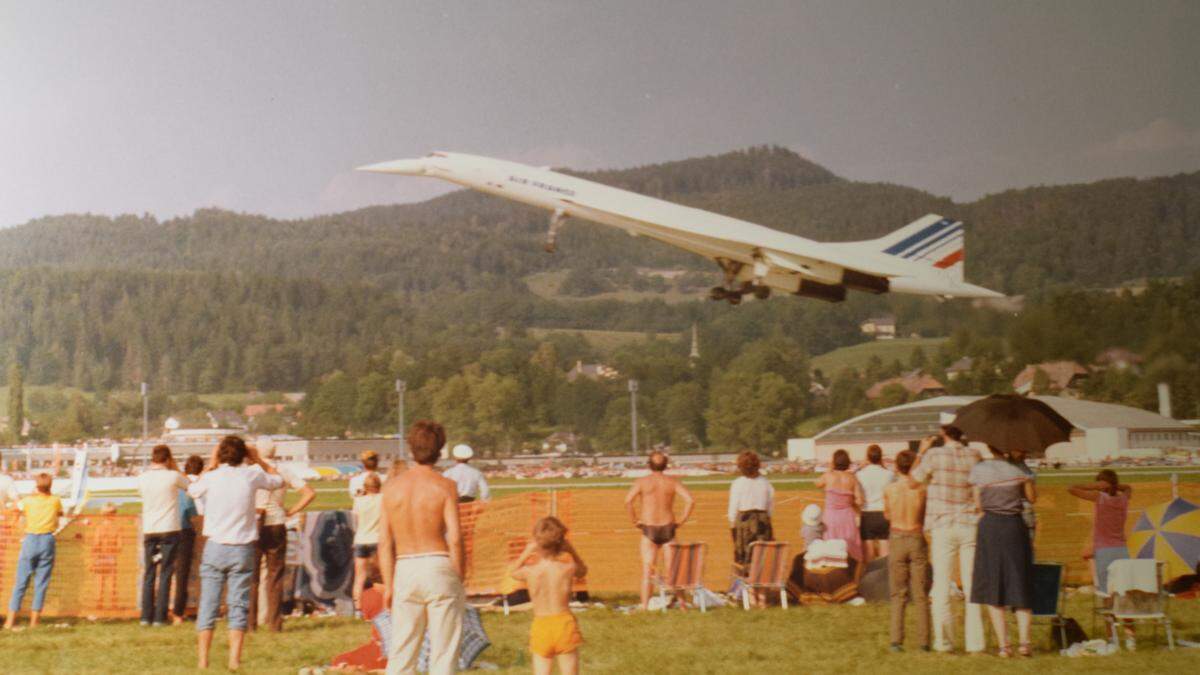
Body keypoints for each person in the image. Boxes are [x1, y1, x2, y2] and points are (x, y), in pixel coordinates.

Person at [188, 436, 284, 670]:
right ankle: (234, 660)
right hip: (242, 548)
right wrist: (258, 459)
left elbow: (192, 490)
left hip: (215, 546)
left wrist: (211, 462)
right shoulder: (252, 474)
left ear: (221, 455)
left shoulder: (211, 477)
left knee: (208, 604)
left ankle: (203, 660)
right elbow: (278, 480)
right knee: (238, 605)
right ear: (243, 455)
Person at [378, 420, 465, 675]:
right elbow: (456, 538)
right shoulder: (446, 486)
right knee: (444, 651)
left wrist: (388, 583)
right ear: (440, 449)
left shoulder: (391, 488)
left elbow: (384, 542)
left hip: (405, 565)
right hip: (438, 562)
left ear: (411, 448)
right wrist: (459, 574)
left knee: (402, 650)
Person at [909, 426, 983, 654]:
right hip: (969, 523)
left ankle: (944, 641)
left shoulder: (934, 455)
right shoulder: (975, 455)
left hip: (942, 524)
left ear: (944, 433)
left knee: (941, 585)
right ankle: (976, 643)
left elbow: (913, 481)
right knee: (973, 586)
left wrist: (921, 451)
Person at [968, 446, 1037, 657]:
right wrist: (1025, 475)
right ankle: (1025, 643)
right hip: (1014, 526)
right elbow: (1032, 498)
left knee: (992, 584)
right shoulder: (1019, 470)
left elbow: (978, 503)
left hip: (990, 526)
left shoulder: (979, 469)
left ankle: (1003, 646)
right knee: (1020, 581)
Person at [249, 439, 316, 632]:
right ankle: (274, 622)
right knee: (275, 576)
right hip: (277, 521)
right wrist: (291, 511)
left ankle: (250, 622)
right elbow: (309, 493)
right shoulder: (284, 470)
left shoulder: (251, 469)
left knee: (251, 576)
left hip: (255, 522)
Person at [509, 517, 588, 675]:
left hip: (541, 625)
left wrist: (526, 552)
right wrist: (572, 550)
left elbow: (512, 571)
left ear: (537, 543)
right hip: (564, 624)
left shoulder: (530, 571)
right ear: (560, 543)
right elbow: (583, 570)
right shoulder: (567, 569)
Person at [623, 451, 695, 610]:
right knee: (674, 571)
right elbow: (690, 500)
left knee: (647, 571)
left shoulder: (642, 482)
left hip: (649, 528)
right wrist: (681, 520)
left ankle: (645, 606)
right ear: (665, 465)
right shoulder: (672, 482)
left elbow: (628, 501)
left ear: (649, 464)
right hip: (668, 527)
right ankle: (682, 605)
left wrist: (634, 520)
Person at [136, 444, 190, 626]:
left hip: (150, 529)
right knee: (166, 572)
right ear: (168, 459)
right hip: (169, 528)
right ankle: (160, 616)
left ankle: (145, 616)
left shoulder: (142, 478)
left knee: (149, 573)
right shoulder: (173, 476)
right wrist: (174, 468)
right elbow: (190, 486)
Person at [883, 450, 929, 653]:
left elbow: (887, 514)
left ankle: (896, 640)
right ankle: (924, 641)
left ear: (896, 466)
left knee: (898, 593)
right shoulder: (921, 490)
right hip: (916, 536)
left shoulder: (889, 489)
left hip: (897, 537)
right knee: (920, 594)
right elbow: (924, 513)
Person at [4, 473, 63, 630]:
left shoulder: (28, 501)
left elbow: (15, 507)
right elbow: (60, 513)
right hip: (47, 540)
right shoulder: (55, 500)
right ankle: (34, 622)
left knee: (21, 583)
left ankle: (10, 622)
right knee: (41, 583)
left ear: (36, 486)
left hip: (30, 539)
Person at [1070, 469, 1131, 594]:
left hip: (1104, 549)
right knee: (1121, 589)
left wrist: (1094, 486)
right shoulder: (1124, 498)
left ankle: (1108, 613)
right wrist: (1113, 485)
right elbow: (1128, 487)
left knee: (1105, 590)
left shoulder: (1099, 497)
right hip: (1122, 548)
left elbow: (1071, 488)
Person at [728, 450, 775, 605]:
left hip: (744, 524)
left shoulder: (738, 483)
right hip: (763, 522)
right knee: (762, 559)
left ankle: (750, 595)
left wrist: (733, 528)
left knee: (744, 559)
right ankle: (761, 597)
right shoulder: (765, 482)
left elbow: (732, 510)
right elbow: (770, 507)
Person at [815, 449, 864, 564]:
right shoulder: (852, 478)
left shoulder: (828, 476)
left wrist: (830, 469)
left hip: (831, 517)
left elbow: (817, 483)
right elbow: (860, 500)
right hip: (847, 516)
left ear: (834, 462)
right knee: (850, 545)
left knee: (831, 546)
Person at [172, 454, 205, 624]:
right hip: (190, 531)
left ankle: (175, 611)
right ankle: (183, 610)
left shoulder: (178, 485)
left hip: (171, 529)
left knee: (176, 573)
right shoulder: (198, 484)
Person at [856, 444, 894, 562]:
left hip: (867, 513)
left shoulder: (860, 474)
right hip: (884, 513)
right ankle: (884, 577)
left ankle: (870, 575)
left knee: (869, 553)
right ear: (880, 457)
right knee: (885, 551)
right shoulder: (889, 474)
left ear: (867, 457)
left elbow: (851, 480)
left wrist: (860, 467)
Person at [353, 473, 384, 611]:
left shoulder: (358, 501)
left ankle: (358, 607)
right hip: (376, 539)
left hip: (361, 539)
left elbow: (357, 519)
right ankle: (383, 605)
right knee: (381, 576)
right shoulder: (382, 499)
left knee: (359, 577)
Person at [1009, 448, 1037, 543]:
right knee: (1027, 547)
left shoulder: (1000, 467)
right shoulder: (1026, 471)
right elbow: (1031, 498)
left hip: (1005, 511)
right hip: (1024, 509)